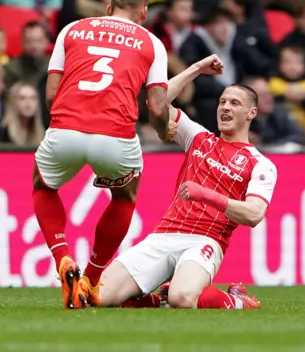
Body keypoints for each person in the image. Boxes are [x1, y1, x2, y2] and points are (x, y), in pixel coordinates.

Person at [80, 55, 275, 310]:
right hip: (165, 234)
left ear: (251, 113)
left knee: (182, 298)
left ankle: (238, 300)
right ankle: (159, 299)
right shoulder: (199, 138)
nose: (225, 107)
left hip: (206, 240)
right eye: (222, 102)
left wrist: (205, 194)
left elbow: (253, 214)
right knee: (99, 297)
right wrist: (196, 69)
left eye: (235, 103)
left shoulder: (260, 163)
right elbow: (157, 103)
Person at [33, 0, 170, 309]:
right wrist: (165, 131)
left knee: (43, 187)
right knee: (125, 196)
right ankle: (92, 280)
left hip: (66, 128)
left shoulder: (72, 29)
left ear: (108, 8)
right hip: (116, 136)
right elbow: (157, 106)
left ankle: (63, 257)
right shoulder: (152, 43)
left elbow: (52, 94)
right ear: (144, 13)